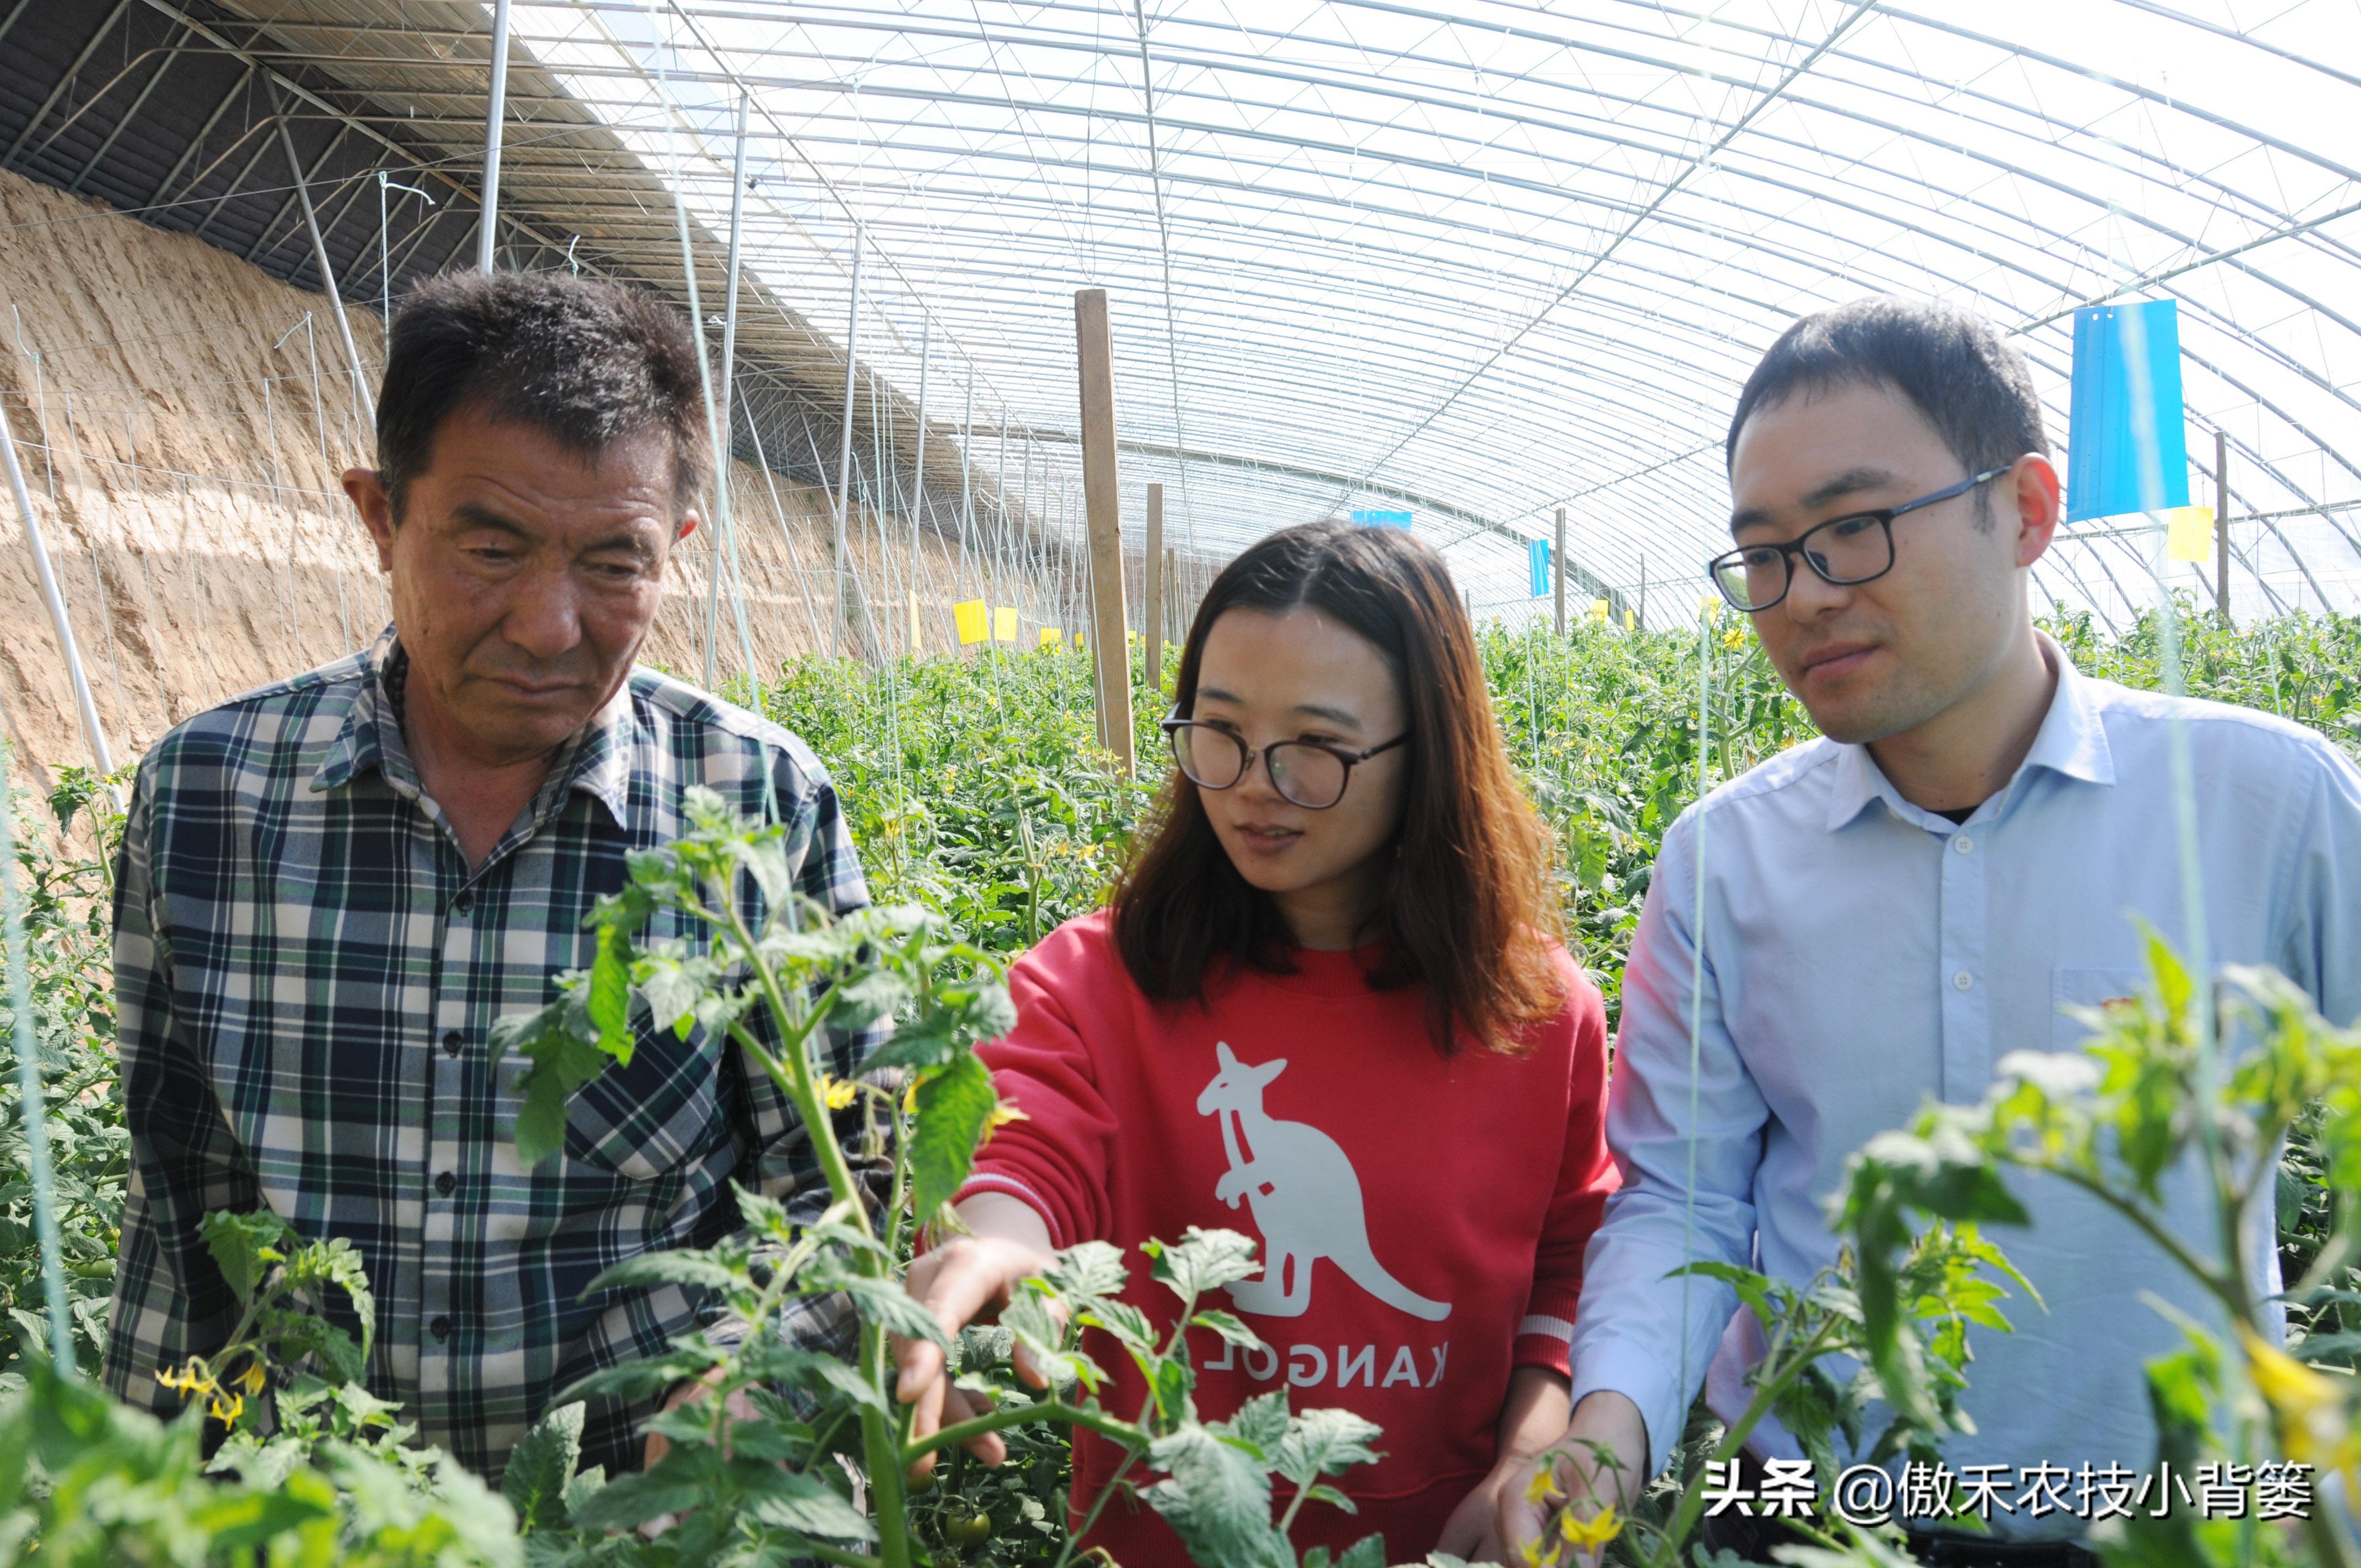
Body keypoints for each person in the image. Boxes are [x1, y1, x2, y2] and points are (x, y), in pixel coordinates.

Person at [1500, 297, 2361, 1565]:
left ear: (2021, 509)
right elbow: (1682, 1194)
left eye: (1851, 529)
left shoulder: (2267, 803)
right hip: (1801, 1520)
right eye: (1766, 553)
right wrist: (1610, 1422)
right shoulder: (1724, 857)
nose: (1801, 594)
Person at [103, 271, 878, 1480]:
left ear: (675, 549)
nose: (548, 624)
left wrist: (754, 1376)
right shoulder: (209, 799)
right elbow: (184, 1200)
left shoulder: (758, 806)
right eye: (490, 545)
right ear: (377, 516)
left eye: (615, 563)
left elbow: (850, 1174)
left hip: (644, 1519)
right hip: (318, 1517)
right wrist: (140, 1500)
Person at [896, 521, 1619, 1562]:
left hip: (1445, 1545)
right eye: (1219, 730)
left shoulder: (1537, 1010)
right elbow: (1029, 1143)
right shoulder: (1098, 982)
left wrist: (1526, 1458)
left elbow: (1570, 1257)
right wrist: (1005, 1244)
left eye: (1317, 748)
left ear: (1431, 746)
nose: (1251, 782)